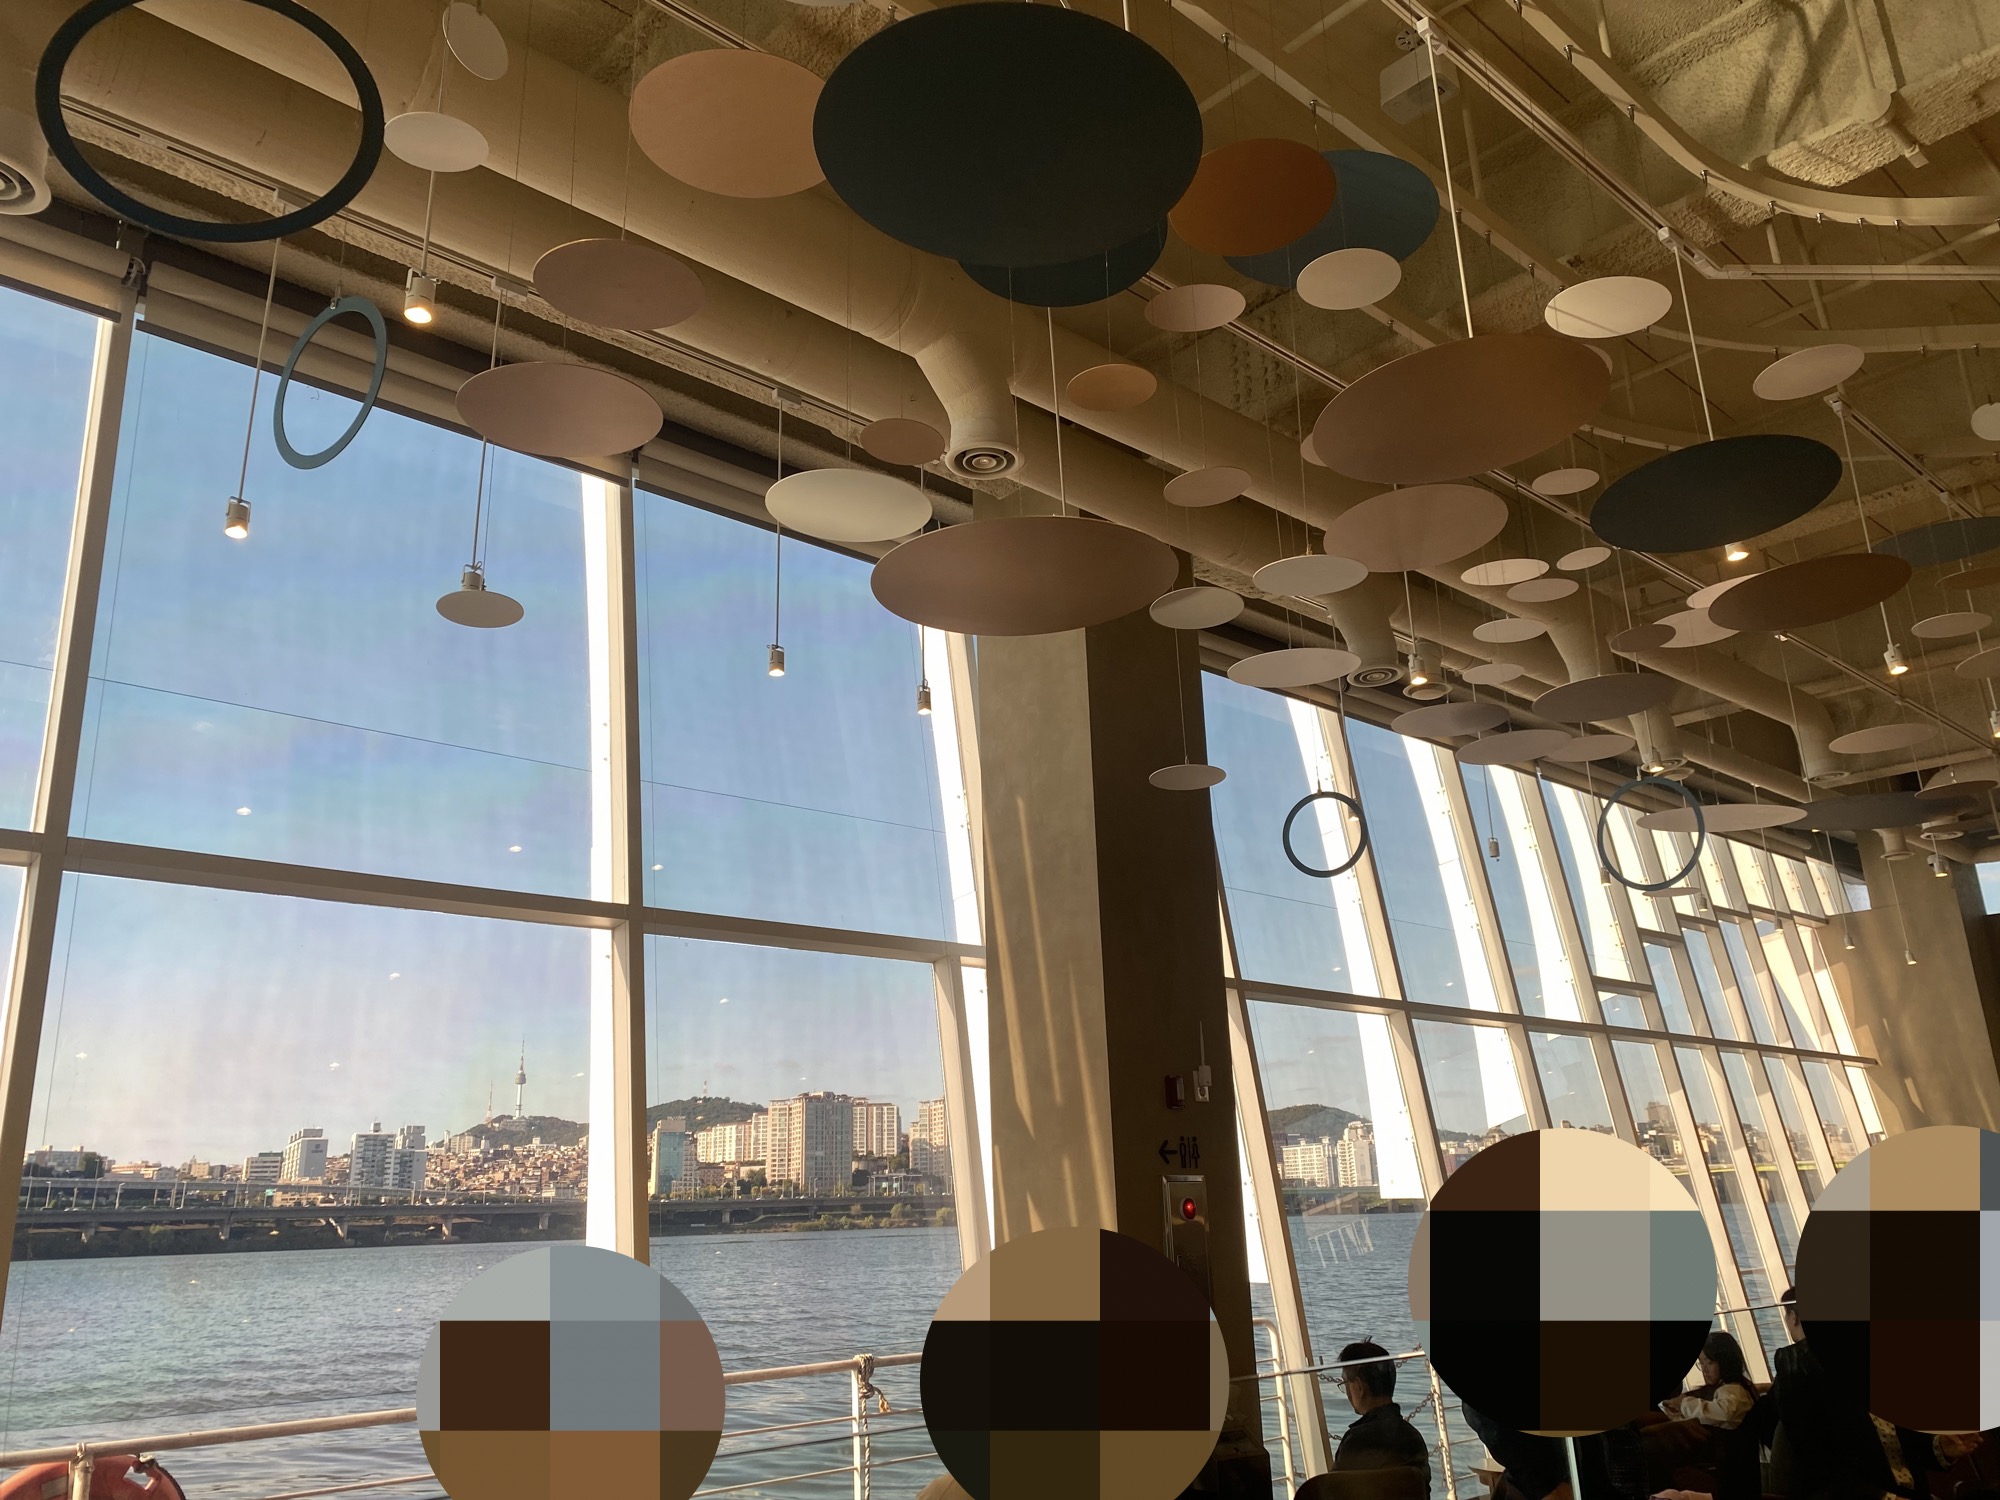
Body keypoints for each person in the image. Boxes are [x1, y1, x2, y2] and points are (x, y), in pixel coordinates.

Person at [1330, 1341, 1431, 1490]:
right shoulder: (1414, 1438)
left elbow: (1334, 1491)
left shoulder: (1354, 1443)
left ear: (1358, 1387)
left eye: (1345, 1384)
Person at [1658, 1330, 1757, 1430]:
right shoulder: (1728, 1389)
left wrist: (1683, 1404)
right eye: (1701, 1363)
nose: (1705, 1370)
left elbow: (1723, 1413)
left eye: (1710, 1363)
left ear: (1726, 1362)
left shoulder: (1735, 1392)